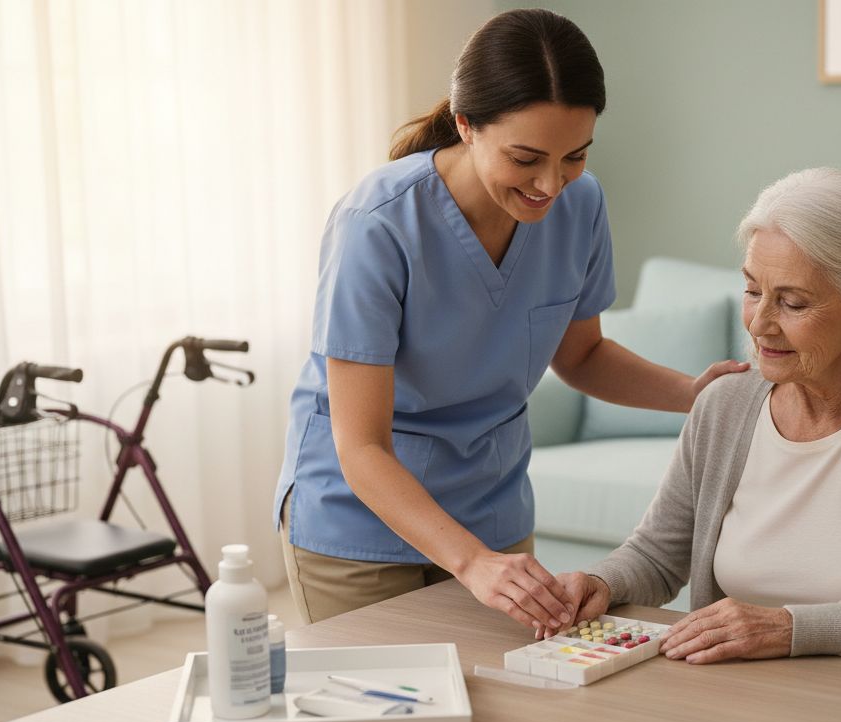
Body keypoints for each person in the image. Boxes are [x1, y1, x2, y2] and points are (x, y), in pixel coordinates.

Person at [274, 9, 746, 631]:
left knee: (511, 689)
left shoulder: (581, 206)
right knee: (386, 694)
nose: (550, 184)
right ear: (465, 125)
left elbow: (581, 356)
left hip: (490, 512)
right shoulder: (377, 224)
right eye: (526, 158)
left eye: (575, 156)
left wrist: (694, 395)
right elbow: (361, 446)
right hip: (361, 523)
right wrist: (471, 563)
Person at [556, 168, 841, 662]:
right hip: (726, 697)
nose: (760, 324)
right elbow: (657, 556)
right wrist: (601, 581)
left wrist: (791, 629)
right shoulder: (724, 404)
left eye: (792, 302)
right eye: (753, 291)